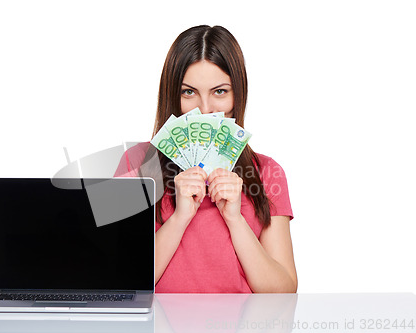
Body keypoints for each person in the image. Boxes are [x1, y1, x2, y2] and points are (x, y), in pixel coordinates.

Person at [115, 25, 297, 293]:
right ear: (172, 95)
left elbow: (283, 292)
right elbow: (122, 282)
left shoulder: (268, 172)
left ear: (238, 94)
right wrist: (179, 218)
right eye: (188, 92)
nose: (205, 109)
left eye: (220, 91)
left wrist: (235, 219)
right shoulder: (136, 162)